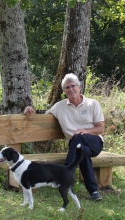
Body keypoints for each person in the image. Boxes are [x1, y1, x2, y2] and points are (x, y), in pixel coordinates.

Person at [45, 73, 104, 202]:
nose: (71, 89)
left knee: (77, 138)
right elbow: (41, 115)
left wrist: (86, 130)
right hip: (77, 146)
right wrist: (29, 110)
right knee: (81, 152)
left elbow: (101, 128)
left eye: (73, 86)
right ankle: (93, 191)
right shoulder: (59, 106)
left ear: (79, 87)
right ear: (63, 91)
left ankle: (65, 175)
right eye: (67, 87)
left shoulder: (92, 104)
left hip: (94, 142)